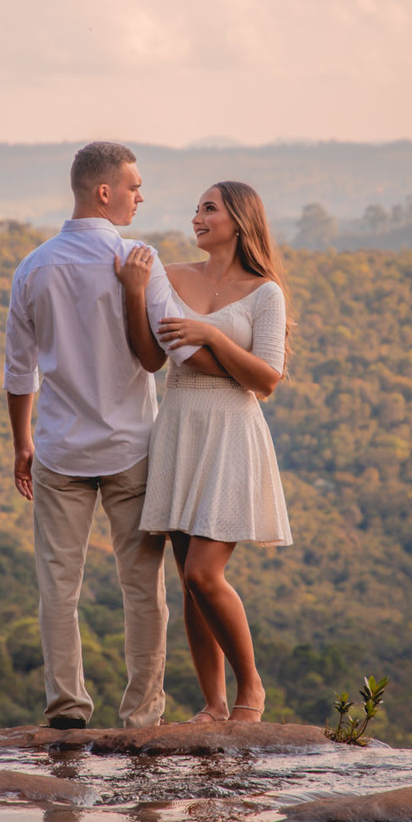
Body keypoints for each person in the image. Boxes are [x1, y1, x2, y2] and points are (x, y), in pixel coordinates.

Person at [4, 140, 200, 730]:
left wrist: (22, 443)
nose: (142, 195)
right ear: (104, 191)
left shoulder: (33, 267)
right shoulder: (140, 259)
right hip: (131, 448)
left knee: (57, 588)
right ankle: (142, 714)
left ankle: (67, 707)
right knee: (143, 588)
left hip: (60, 448)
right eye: (134, 185)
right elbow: (169, 348)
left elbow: (20, 370)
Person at [116, 182, 291, 724]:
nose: (197, 218)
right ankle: (214, 702)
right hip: (179, 425)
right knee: (189, 579)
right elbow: (150, 357)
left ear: (239, 219)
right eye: (196, 209)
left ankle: (251, 690)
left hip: (231, 429)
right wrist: (134, 291)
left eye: (208, 209)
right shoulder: (168, 276)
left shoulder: (266, 293)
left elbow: (266, 379)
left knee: (202, 575)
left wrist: (211, 336)